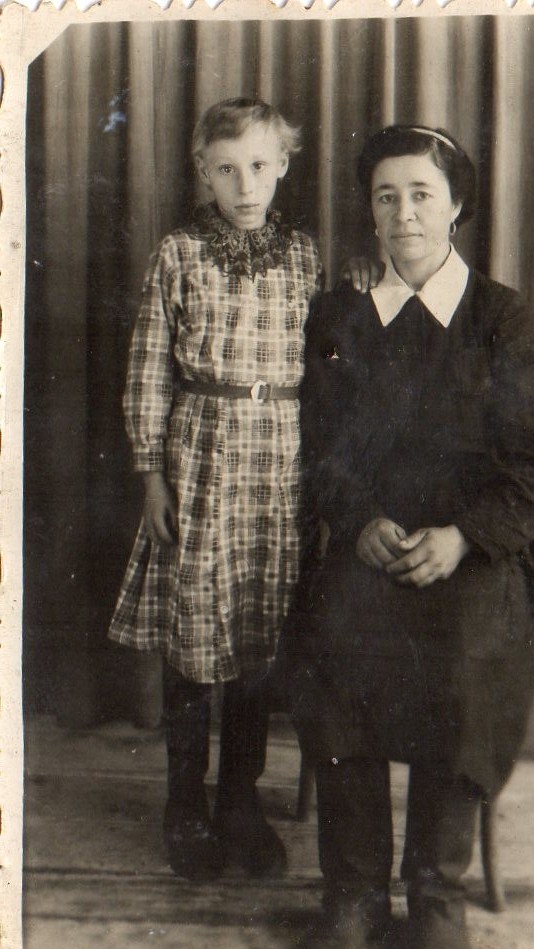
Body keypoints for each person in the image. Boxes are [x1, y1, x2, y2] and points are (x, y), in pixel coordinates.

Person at [283, 124, 534, 949]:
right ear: (369, 211)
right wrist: (359, 520)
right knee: (336, 636)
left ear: (456, 206)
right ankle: (354, 896)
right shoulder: (339, 315)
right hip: (371, 548)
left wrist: (463, 536)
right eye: (386, 196)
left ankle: (437, 896)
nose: (403, 213)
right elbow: (321, 447)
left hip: (473, 557)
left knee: (467, 652)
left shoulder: (500, 316)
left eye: (421, 194)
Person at [108, 98, 325, 882]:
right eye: (227, 170)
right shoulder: (179, 254)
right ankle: (184, 805)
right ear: (203, 171)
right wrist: (151, 475)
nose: (245, 185)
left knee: (257, 639)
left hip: (279, 463)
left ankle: (239, 800)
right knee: (198, 637)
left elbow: (329, 358)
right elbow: (148, 368)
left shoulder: (303, 257)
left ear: (284, 165)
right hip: (201, 456)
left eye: (260, 166)